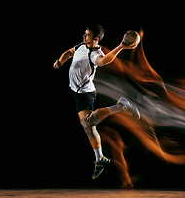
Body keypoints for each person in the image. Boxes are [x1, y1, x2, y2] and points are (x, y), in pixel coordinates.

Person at [53, 24, 140, 179]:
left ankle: (120, 106)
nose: (84, 36)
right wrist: (60, 61)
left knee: (87, 123)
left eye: (87, 35)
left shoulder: (95, 53)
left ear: (96, 39)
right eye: (84, 33)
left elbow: (103, 61)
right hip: (77, 92)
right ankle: (100, 160)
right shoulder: (81, 45)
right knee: (89, 128)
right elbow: (68, 52)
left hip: (85, 93)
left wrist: (120, 46)